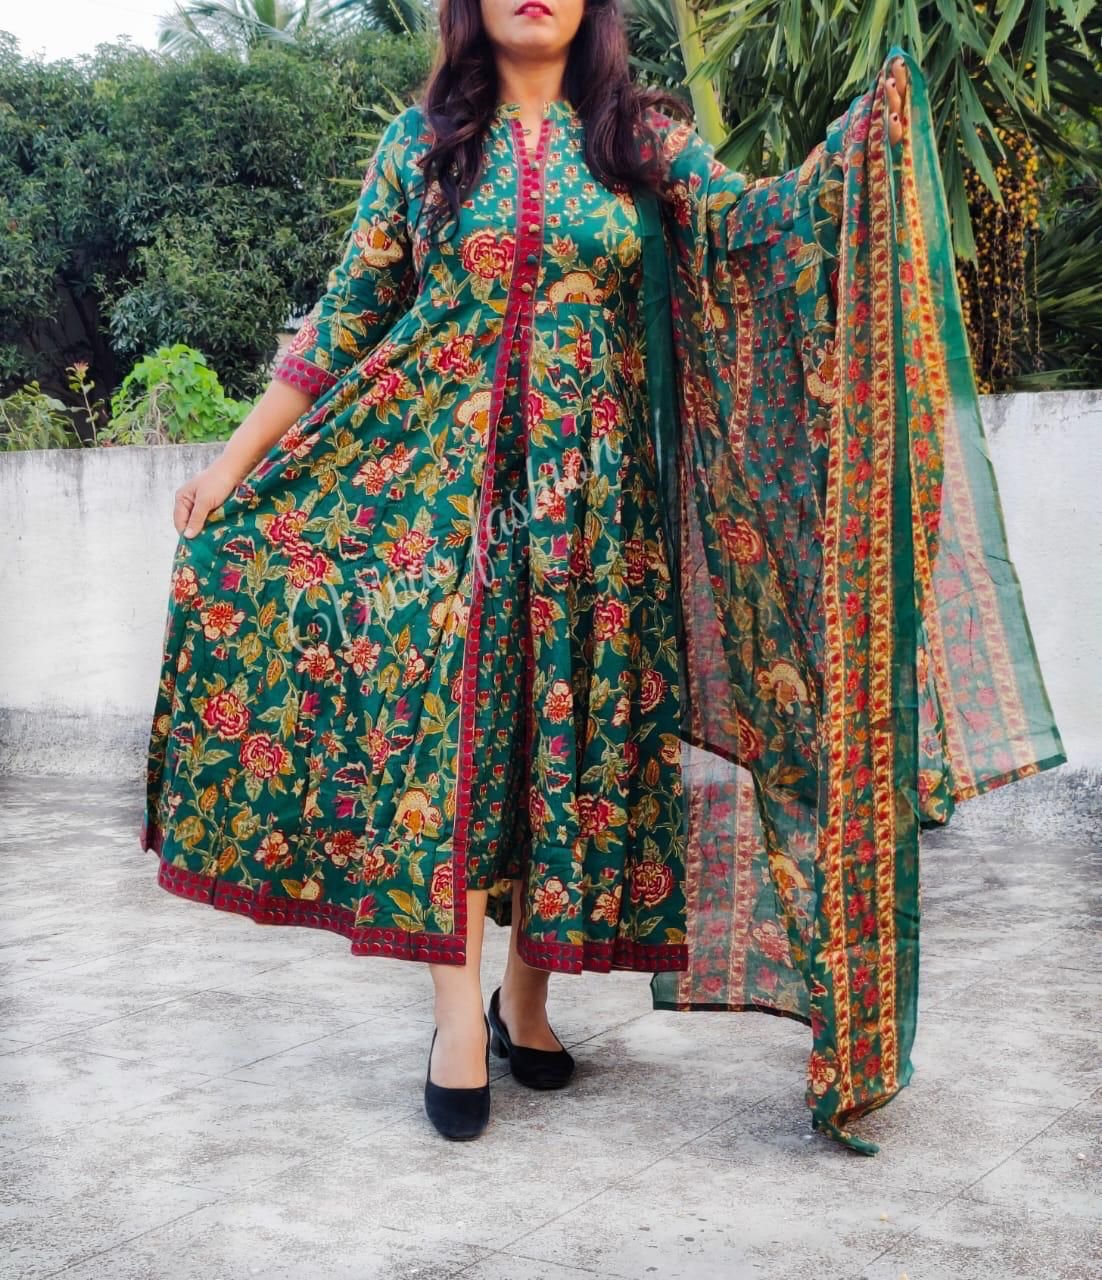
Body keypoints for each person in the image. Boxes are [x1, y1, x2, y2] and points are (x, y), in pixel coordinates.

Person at [141, 0, 1065, 1153]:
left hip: (595, 513)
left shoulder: (639, 139)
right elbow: (345, 315)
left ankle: (524, 997)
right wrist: (231, 466)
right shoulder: (425, 145)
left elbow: (752, 229)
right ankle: (456, 1021)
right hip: (438, 500)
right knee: (451, 746)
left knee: (571, 747)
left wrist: (849, 157)